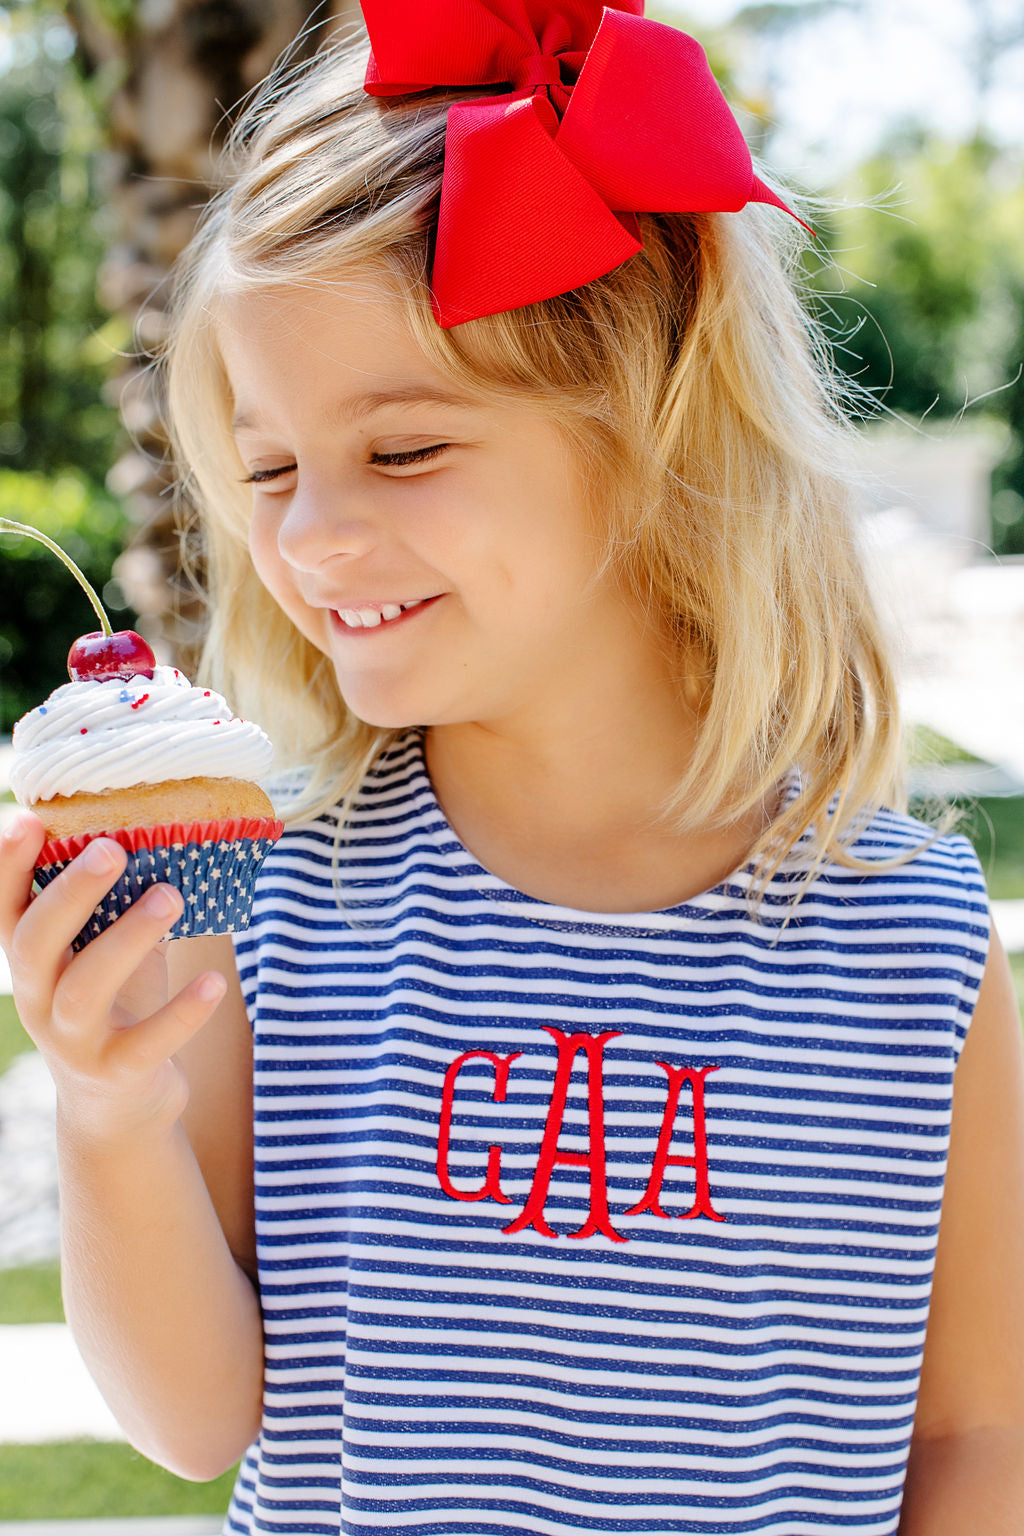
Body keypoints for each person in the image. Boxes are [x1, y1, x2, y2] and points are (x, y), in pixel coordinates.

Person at [2, 3, 1023, 1532]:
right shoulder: (271, 899)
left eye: (402, 451)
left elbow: (975, 1443)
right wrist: (108, 1110)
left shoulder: (916, 946)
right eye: (268, 467)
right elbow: (194, 1421)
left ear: (658, 433)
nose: (307, 537)